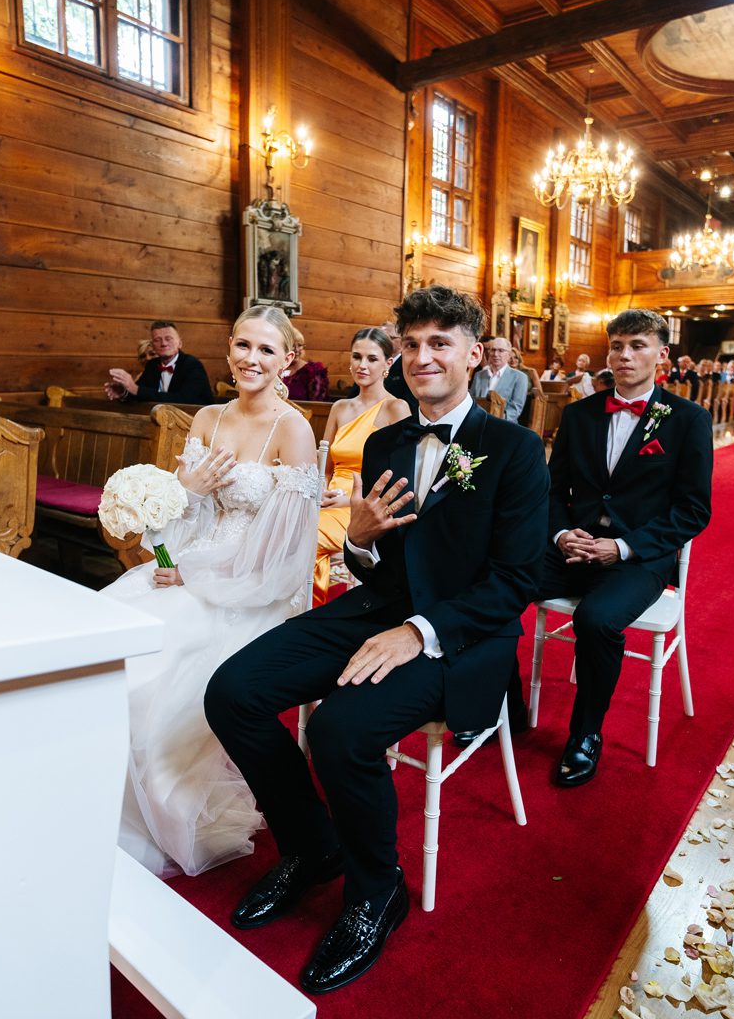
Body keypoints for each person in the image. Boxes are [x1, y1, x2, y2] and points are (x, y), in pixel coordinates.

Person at [204, 285, 547, 994]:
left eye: (440, 343)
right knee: (232, 691)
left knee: (341, 730)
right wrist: (358, 542)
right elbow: (382, 561)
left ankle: (376, 892)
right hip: (377, 607)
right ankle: (312, 847)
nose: (423, 357)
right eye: (411, 345)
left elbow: (517, 579)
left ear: (473, 355)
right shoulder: (389, 440)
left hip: (462, 633)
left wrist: (419, 633)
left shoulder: (514, 450)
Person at [98, 306, 319, 877]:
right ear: (228, 349)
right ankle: (96, 801)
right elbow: (170, 532)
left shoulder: (292, 429)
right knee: (107, 633)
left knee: (151, 669)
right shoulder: (207, 418)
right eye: (243, 345)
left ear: (288, 359)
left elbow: (284, 553)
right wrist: (186, 497)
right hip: (188, 569)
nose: (252, 359)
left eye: (266, 349)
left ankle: (157, 812)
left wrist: (196, 577)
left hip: (251, 591)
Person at [537, 309, 713, 787]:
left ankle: (585, 734)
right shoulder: (579, 414)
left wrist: (623, 547)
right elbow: (551, 491)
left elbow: (693, 511)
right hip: (575, 547)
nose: (624, 355)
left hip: (638, 558)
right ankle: (499, 704)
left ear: (662, 354)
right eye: (617, 346)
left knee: (595, 620)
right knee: (499, 578)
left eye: (637, 345)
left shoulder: (688, 420)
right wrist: (561, 535)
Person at [313, 328, 412, 605]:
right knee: (285, 527)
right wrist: (320, 492)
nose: (362, 365)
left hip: (364, 506)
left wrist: (347, 500)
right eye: (357, 357)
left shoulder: (396, 408)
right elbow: (326, 467)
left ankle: (310, 609)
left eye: (372, 358)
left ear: (387, 364)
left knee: (306, 536)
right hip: (327, 500)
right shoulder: (340, 408)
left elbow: (402, 476)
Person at [105, 321, 214, 404]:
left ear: (180, 343)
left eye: (168, 338)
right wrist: (123, 392)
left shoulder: (193, 365)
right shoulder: (152, 365)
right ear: (153, 346)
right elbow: (141, 394)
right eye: (157, 340)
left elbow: (184, 399)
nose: (163, 344)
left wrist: (136, 389)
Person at [471, 335, 530, 422]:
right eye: (493, 350)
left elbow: (515, 410)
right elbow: (471, 401)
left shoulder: (519, 377)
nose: (495, 354)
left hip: (503, 424)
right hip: (477, 421)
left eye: (501, 350)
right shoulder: (479, 375)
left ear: (509, 355)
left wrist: (493, 421)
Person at [281, 330, 330, 401]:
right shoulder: (276, 367)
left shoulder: (313, 371)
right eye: (292, 346)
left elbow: (318, 404)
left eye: (300, 345)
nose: (297, 349)